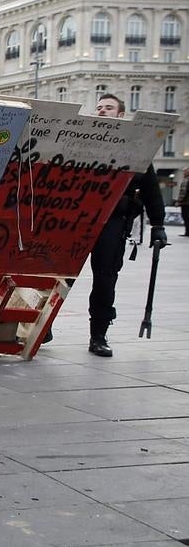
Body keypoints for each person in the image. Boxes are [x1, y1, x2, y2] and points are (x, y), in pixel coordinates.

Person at [87, 94, 167, 357]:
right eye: (98, 108)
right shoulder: (83, 139)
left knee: (105, 279)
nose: (102, 111)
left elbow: (151, 188)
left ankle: (98, 334)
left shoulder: (135, 147)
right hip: (80, 218)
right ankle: (47, 323)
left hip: (112, 221)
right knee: (60, 276)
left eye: (108, 108)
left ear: (120, 115)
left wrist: (158, 224)